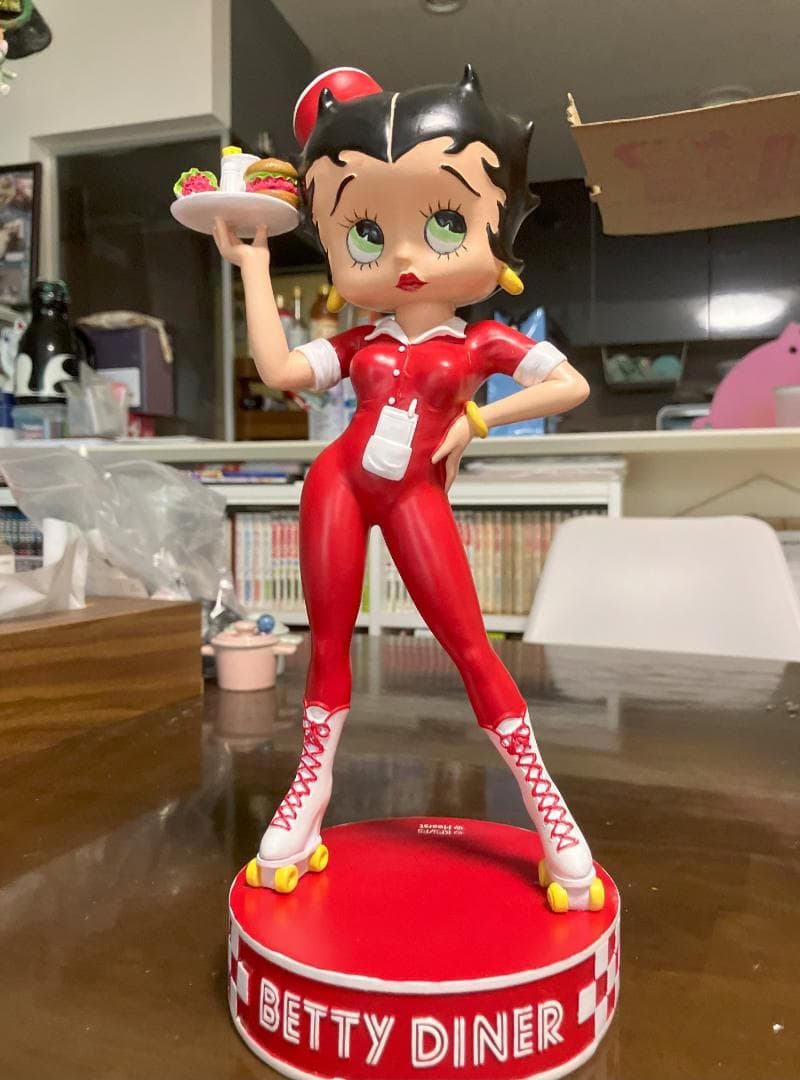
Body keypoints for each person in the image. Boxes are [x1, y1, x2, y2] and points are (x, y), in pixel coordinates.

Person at [214, 65, 601, 913]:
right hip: (338, 486)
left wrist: (476, 421)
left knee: (470, 646)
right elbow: (280, 369)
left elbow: (567, 384)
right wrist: (253, 264)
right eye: (363, 233)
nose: (400, 255)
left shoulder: (482, 343)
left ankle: (546, 805)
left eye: (445, 220)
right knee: (327, 644)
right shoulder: (360, 344)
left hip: (413, 495)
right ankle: (310, 788)